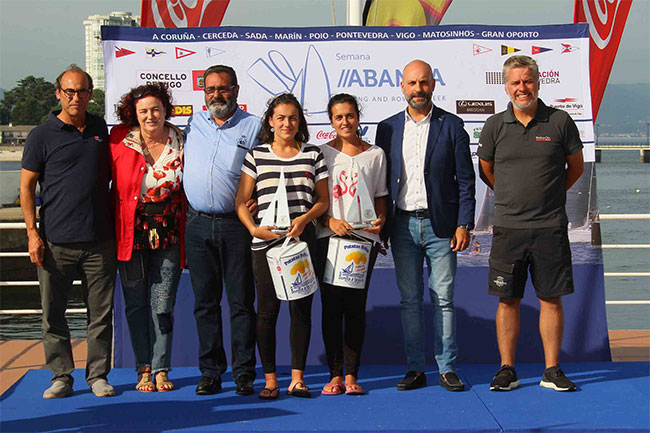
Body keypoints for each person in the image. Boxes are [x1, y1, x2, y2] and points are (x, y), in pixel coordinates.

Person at [477, 55, 584, 392]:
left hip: (550, 227)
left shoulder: (561, 122)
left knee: (551, 299)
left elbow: (575, 169)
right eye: (515, 82)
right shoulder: (494, 125)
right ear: (506, 87)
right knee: (507, 300)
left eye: (527, 81)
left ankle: (552, 370)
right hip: (509, 229)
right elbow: (487, 170)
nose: (522, 88)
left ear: (538, 83)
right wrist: (511, 198)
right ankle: (507, 369)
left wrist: (549, 197)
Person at [375, 60, 475, 392]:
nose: (418, 89)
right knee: (410, 301)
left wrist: (464, 223)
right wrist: (380, 226)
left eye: (424, 83)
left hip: (441, 227)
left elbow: (465, 181)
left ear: (433, 84)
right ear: (402, 87)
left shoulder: (453, 125)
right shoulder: (387, 128)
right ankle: (416, 368)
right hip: (401, 226)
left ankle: (447, 368)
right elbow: (381, 182)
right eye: (412, 83)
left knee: (443, 299)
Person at [20, 65, 116, 398]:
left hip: (99, 240)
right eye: (69, 91)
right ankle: (61, 376)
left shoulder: (100, 129)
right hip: (54, 241)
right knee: (53, 314)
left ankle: (98, 375)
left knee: (100, 315)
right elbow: (27, 187)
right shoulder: (40, 135)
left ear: (91, 94)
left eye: (82, 91)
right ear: (59, 94)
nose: (76, 97)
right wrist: (32, 234)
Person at [235, 93, 329, 400]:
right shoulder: (256, 155)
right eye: (280, 118)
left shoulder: (313, 154)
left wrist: (304, 220)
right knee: (267, 312)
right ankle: (271, 380)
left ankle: (298, 379)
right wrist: (253, 229)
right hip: (265, 247)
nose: (286, 123)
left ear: (299, 121)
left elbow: (323, 200)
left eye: (292, 117)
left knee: (300, 310)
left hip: (302, 245)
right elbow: (241, 202)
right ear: (270, 122)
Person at [183, 65, 259, 396]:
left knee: (241, 303)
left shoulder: (254, 125)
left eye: (223, 88)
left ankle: (244, 374)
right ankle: (211, 372)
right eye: (211, 89)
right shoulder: (191, 124)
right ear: (203, 93)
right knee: (205, 304)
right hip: (197, 224)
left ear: (236, 90)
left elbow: (269, 166)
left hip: (236, 226)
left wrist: (260, 200)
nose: (217, 94)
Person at [109, 83, 184, 392]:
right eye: (143, 111)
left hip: (170, 234)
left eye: (156, 109)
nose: (151, 115)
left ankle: (162, 368)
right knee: (136, 304)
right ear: (134, 114)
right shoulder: (118, 140)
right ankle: (144, 369)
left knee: (163, 304)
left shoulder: (182, 139)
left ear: (165, 109)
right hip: (130, 234)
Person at [315, 94, 388, 396]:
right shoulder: (321, 154)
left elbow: (381, 194)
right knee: (331, 307)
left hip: (362, 241)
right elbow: (316, 200)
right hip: (329, 240)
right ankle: (334, 374)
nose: (345, 122)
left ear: (358, 117)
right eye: (338, 117)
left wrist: (381, 219)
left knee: (355, 308)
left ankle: (351, 375)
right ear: (331, 121)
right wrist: (329, 222)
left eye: (350, 116)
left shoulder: (376, 155)